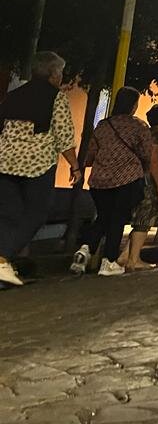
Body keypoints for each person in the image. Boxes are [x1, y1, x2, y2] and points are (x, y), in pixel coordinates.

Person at [0, 52, 79, 287]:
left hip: (4, 163)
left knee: (8, 216)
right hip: (37, 165)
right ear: (53, 74)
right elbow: (64, 136)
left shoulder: (12, 96)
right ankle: (3, 258)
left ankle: (4, 264)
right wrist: (75, 166)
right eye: (60, 73)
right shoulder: (56, 98)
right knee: (36, 213)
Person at [72, 87, 152, 276]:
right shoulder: (138, 126)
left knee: (104, 217)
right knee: (118, 218)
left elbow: (91, 154)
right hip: (128, 179)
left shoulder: (103, 125)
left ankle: (85, 248)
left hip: (100, 181)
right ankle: (109, 261)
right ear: (133, 106)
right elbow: (147, 154)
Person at [120, 104, 158, 271]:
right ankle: (133, 260)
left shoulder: (149, 135)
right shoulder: (155, 137)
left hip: (144, 181)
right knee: (144, 220)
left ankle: (126, 255)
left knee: (142, 220)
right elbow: (154, 161)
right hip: (150, 184)